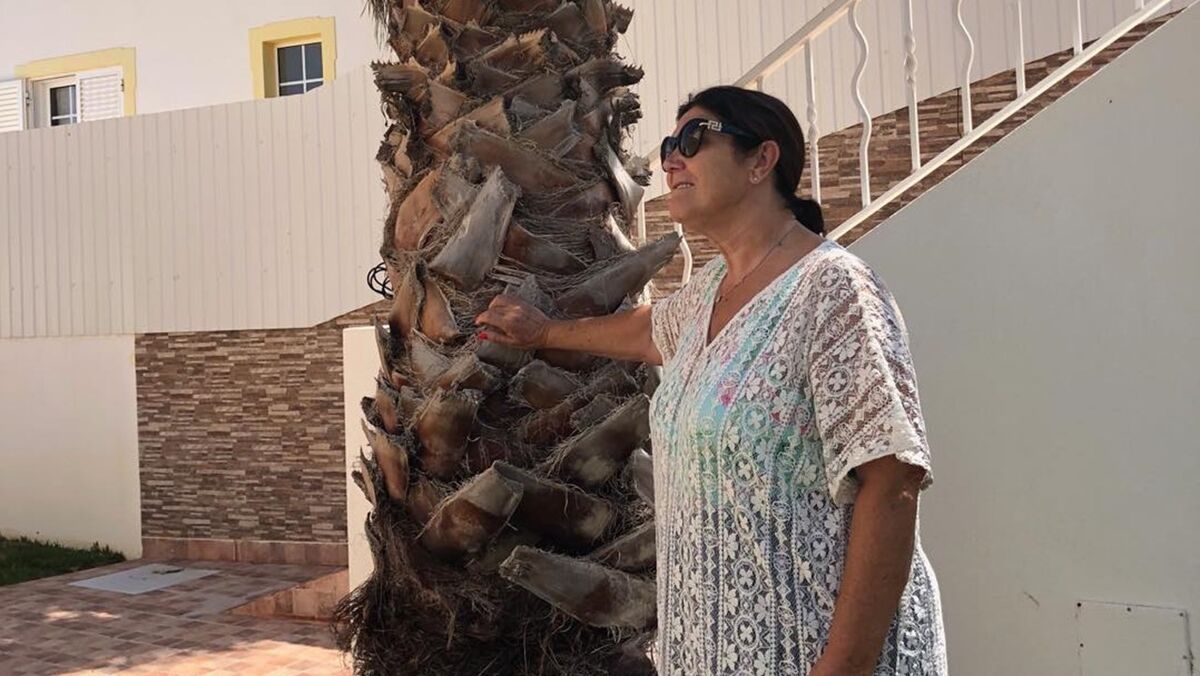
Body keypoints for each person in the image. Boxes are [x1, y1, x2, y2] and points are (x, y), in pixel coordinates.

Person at [476, 85, 947, 675]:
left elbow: (893, 478)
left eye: (693, 139)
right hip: (717, 649)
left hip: (812, 654)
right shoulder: (708, 293)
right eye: (669, 145)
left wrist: (844, 666)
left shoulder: (833, 289)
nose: (672, 159)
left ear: (762, 160)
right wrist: (544, 331)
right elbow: (648, 331)